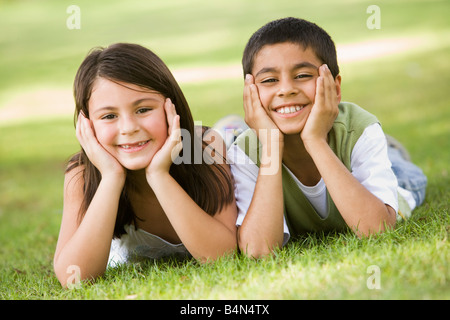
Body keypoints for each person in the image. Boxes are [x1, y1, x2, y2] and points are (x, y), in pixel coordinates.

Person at [226, 17, 427, 258]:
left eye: (302, 75)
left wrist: (315, 141)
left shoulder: (359, 129)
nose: (286, 89)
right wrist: (270, 145)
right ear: (250, 93)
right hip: (262, 144)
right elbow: (258, 250)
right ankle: (232, 128)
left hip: (396, 177)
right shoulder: (245, 152)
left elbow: (377, 229)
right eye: (270, 80)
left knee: (405, 175)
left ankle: (390, 148)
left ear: (336, 87)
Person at [53, 43, 238, 287]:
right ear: (86, 124)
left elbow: (220, 256)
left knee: (231, 135)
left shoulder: (205, 148)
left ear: (171, 107)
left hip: (224, 141)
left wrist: (159, 175)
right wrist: (111, 177)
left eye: (143, 109)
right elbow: (73, 277)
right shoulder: (82, 175)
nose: (129, 128)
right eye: (109, 116)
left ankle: (231, 128)